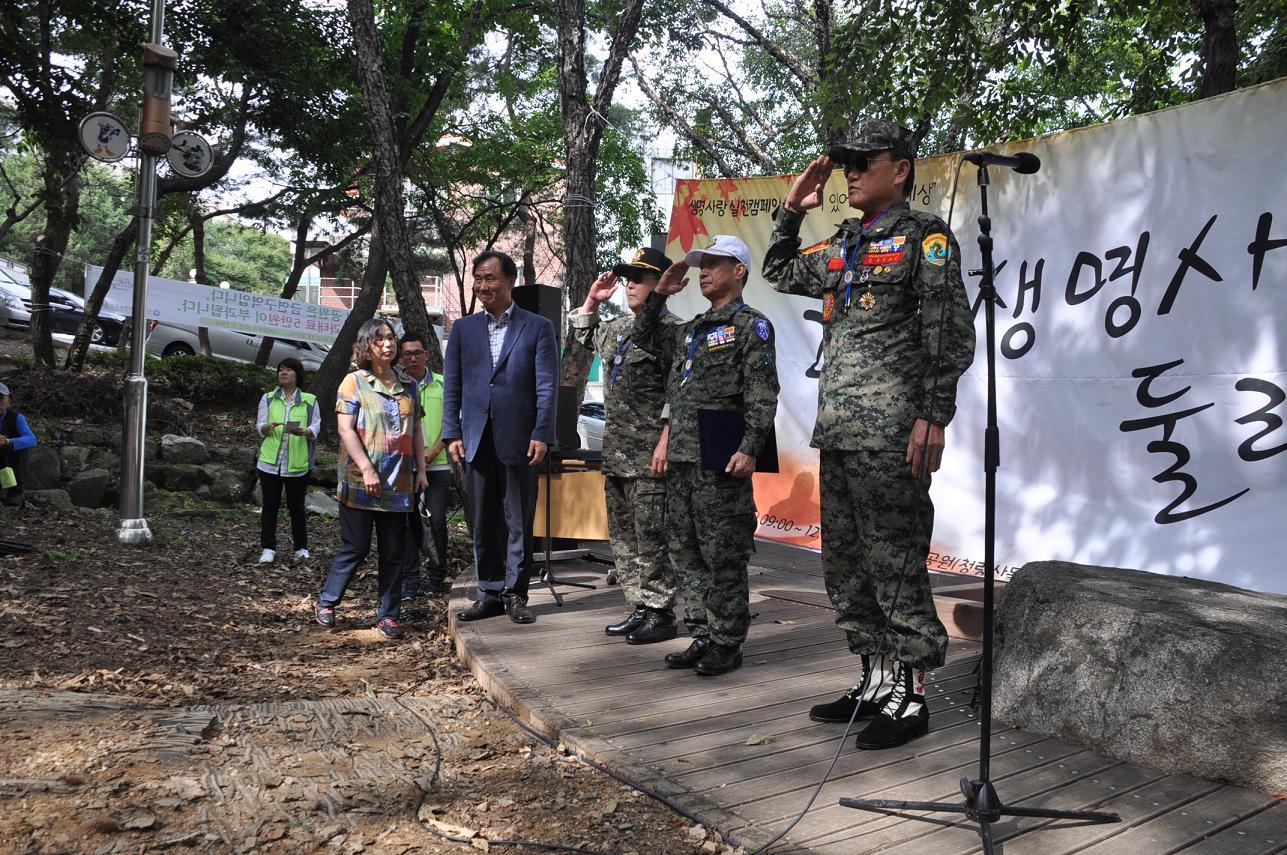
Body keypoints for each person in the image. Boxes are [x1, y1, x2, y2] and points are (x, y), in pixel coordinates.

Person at [763, 118, 976, 749]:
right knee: (848, 565)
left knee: (895, 560)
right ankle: (875, 678)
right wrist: (791, 209)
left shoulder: (924, 238)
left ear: (901, 168)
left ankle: (909, 697)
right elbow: (777, 271)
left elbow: (949, 332)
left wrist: (933, 415)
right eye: (844, 161)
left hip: (891, 432)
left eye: (864, 160)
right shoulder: (844, 244)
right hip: (842, 431)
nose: (850, 171)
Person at [632, 235, 780, 676]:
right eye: (701, 264)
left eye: (714, 263)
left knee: (723, 552)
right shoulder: (692, 329)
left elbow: (762, 392)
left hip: (720, 458)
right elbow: (643, 335)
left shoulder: (751, 325)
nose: (703, 271)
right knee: (686, 550)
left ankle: (727, 640)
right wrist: (659, 294)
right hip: (682, 458)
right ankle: (702, 632)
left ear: (739, 271)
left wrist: (750, 447)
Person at [568, 247, 680, 644]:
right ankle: (640, 605)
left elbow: (677, 393)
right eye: (627, 277)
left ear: (662, 285)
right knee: (624, 536)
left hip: (651, 454)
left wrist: (666, 441)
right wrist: (591, 300)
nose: (630, 284)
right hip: (617, 453)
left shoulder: (672, 331)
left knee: (653, 535)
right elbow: (582, 336)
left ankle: (661, 610)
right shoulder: (617, 329)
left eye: (640, 277)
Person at [442, 250, 557, 625]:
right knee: (483, 519)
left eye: (490, 278)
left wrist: (542, 432)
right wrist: (451, 432)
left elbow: (546, 386)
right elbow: (452, 387)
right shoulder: (463, 329)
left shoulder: (537, 326)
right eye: (478, 278)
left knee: (518, 519)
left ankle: (516, 594)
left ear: (510, 282)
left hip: (521, 439)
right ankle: (488, 592)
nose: (483, 286)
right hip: (475, 438)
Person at [315, 319, 428, 640]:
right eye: (380, 339)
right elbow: (345, 430)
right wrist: (366, 468)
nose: (388, 344)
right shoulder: (353, 383)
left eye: (391, 338)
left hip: (398, 484)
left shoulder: (409, 385)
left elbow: (416, 431)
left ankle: (388, 615)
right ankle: (327, 602)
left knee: (394, 553)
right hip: (359, 482)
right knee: (356, 547)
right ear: (367, 345)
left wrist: (421, 470)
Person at [398, 332, 451, 599]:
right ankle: (410, 579)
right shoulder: (396, 387)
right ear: (401, 358)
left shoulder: (443, 384)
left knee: (437, 521)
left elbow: (453, 422)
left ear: (427, 355)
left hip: (438, 465)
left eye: (418, 352)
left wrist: (433, 451)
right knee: (407, 525)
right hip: (404, 467)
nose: (413, 358)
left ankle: (436, 576)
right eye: (407, 353)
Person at [255, 358, 319, 563]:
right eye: (281, 370)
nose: (283, 373)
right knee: (270, 506)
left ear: (297, 375)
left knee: (297, 508)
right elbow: (259, 425)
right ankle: (268, 548)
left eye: (288, 370)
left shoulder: (310, 399)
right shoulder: (268, 398)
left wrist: (306, 431)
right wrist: (267, 428)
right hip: (269, 462)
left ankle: (301, 548)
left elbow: (317, 426)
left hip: (298, 464)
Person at [0, 381, 37, 509]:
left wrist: (10, 442)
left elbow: (31, 439)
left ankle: (14, 492)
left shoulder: (16, 418)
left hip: (10, 460)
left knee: (18, 448)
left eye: (1, 399)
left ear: (8, 401)